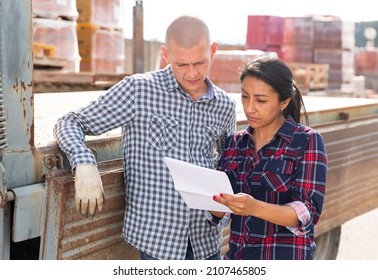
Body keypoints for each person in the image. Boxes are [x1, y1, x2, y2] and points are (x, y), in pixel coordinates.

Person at [53, 15, 236, 260]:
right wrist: (84, 163)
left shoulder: (224, 105)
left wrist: (221, 209)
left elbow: (228, 165)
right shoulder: (139, 91)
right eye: (181, 64)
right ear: (166, 55)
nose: (192, 73)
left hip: (207, 241)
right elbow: (70, 122)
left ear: (213, 51)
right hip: (158, 243)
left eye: (199, 63)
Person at [212, 56, 328, 260]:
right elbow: (221, 213)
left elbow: (307, 213)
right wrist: (216, 204)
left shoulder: (306, 140)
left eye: (261, 100)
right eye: (245, 97)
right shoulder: (235, 143)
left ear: (284, 101)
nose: (249, 108)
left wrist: (254, 207)